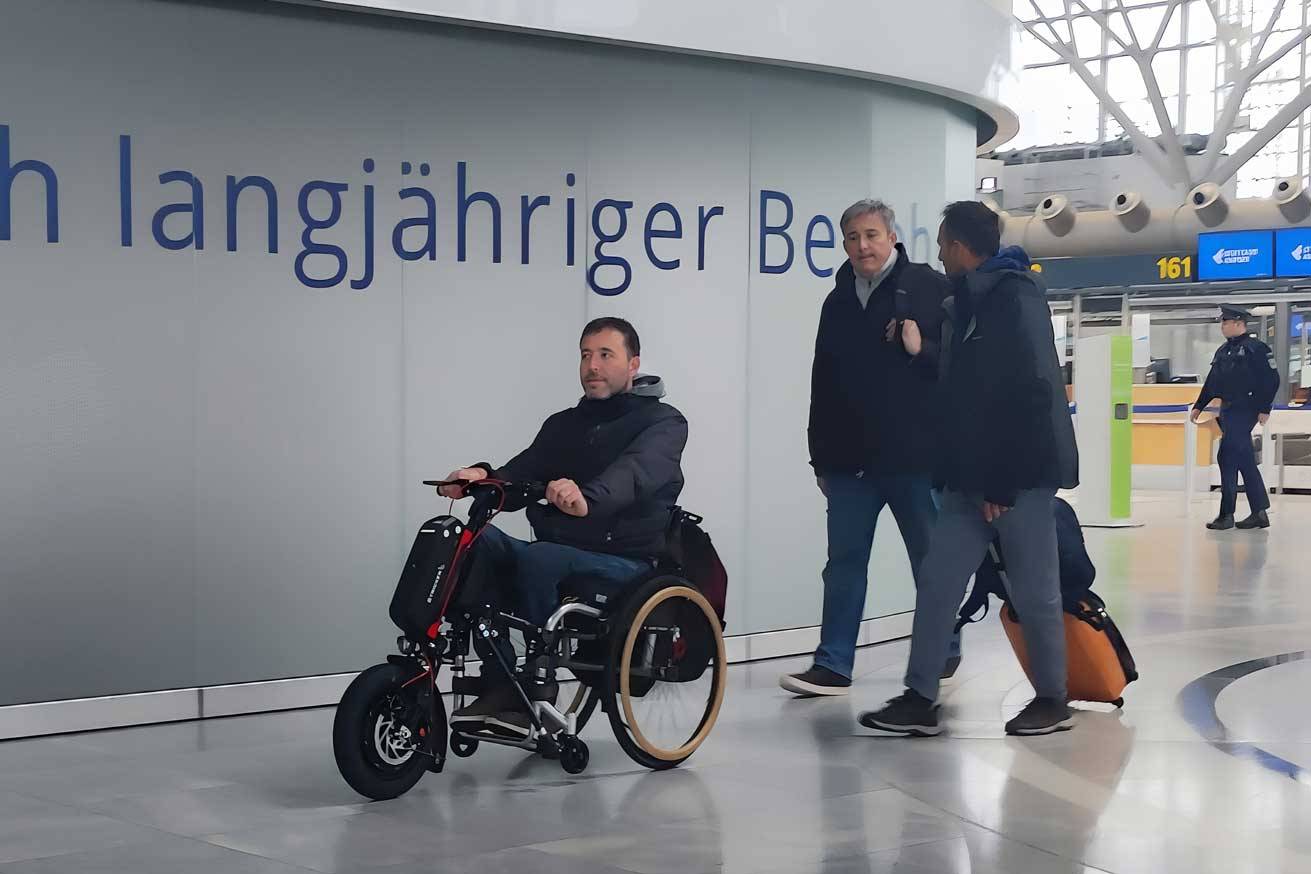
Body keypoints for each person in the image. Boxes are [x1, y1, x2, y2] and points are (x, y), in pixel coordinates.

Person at [858, 201, 1079, 737]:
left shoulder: (1014, 298)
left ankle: (1053, 699)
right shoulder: (967, 301)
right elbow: (967, 390)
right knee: (938, 582)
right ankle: (920, 696)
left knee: (1034, 591)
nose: (938, 254)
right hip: (967, 478)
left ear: (959, 247)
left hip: (1017, 478)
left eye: (941, 245)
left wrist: (1001, 480)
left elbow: (1031, 392)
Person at [440, 317, 688, 738]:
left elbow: (634, 474)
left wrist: (587, 499)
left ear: (633, 364)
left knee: (540, 558)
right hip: (563, 549)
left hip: (626, 559)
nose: (593, 365)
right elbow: (523, 472)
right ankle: (502, 680)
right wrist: (481, 477)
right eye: (586, 355)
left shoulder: (663, 423)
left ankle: (536, 684)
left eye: (605, 354)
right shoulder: (565, 424)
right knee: (473, 542)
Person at [780, 199, 957, 698]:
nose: (863, 246)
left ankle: (944, 648)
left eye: (872, 235)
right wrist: (820, 456)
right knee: (843, 565)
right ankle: (833, 664)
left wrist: (922, 349)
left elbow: (958, 363)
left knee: (930, 561)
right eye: (853, 237)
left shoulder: (927, 287)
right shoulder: (836, 302)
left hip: (914, 460)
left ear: (892, 237)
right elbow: (823, 382)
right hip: (850, 463)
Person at [1191, 305, 1280, 531]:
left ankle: (1227, 514)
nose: (1222, 326)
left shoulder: (1256, 349)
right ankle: (1258, 512)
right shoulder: (1223, 351)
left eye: (1225, 322)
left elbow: (1272, 379)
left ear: (1239, 323)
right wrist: (1199, 405)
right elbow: (1212, 381)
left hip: (1246, 409)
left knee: (1228, 455)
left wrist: (1265, 408)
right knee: (1241, 458)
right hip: (1228, 410)